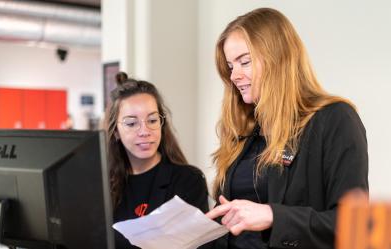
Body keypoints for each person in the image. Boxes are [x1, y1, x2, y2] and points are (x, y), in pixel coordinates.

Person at [205, 7, 368, 249]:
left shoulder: (334, 120)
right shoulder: (246, 130)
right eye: (230, 66)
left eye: (245, 62)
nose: (234, 76)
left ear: (278, 58)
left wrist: (273, 216)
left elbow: (354, 225)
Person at [105, 72, 209, 249]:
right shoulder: (104, 186)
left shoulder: (188, 180)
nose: (145, 131)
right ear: (116, 132)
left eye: (152, 120)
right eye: (131, 123)